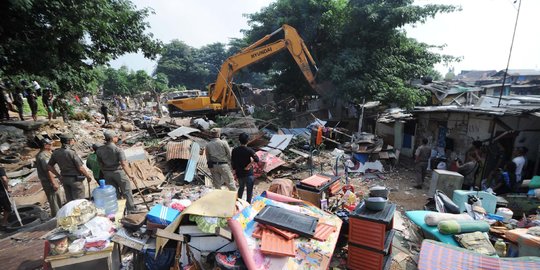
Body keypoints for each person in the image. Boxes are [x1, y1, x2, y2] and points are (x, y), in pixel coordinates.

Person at [96, 130, 136, 212]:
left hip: (107, 174)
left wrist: (105, 172)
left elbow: (100, 164)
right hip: (118, 173)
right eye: (116, 137)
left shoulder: (99, 150)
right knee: (126, 191)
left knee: (114, 193)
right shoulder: (118, 150)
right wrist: (130, 175)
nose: (117, 138)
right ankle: (131, 209)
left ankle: (120, 210)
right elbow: (123, 164)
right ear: (112, 138)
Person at [47, 134, 93, 202]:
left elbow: (49, 166)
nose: (73, 141)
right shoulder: (71, 152)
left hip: (64, 179)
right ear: (69, 141)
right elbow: (80, 167)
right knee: (79, 202)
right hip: (75, 180)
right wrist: (88, 176)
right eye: (72, 140)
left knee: (70, 201)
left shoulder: (56, 153)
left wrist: (58, 176)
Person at [36, 139, 62, 217]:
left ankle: (60, 216)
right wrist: (54, 182)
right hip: (49, 181)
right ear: (45, 145)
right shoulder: (43, 156)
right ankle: (57, 218)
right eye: (50, 144)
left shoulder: (46, 153)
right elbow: (48, 170)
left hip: (51, 180)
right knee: (54, 201)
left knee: (57, 199)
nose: (52, 146)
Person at [232, 133, 260, 203]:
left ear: (239, 140)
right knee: (249, 190)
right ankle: (248, 204)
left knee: (241, 188)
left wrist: (234, 171)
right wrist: (249, 165)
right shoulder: (249, 150)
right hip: (248, 173)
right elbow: (257, 159)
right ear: (247, 141)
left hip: (239, 173)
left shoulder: (234, 150)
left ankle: (238, 203)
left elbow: (233, 162)